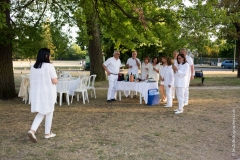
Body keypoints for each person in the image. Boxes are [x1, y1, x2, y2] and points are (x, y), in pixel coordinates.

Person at [28, 48, 58, 143]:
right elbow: (54, 80)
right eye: (49, 54)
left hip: (37, 93)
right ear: (46, 56)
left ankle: (43, 132)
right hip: (47, 92)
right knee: (48, 111)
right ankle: (40, 132)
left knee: (45, 112)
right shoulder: (49, 66)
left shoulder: (33, 66)